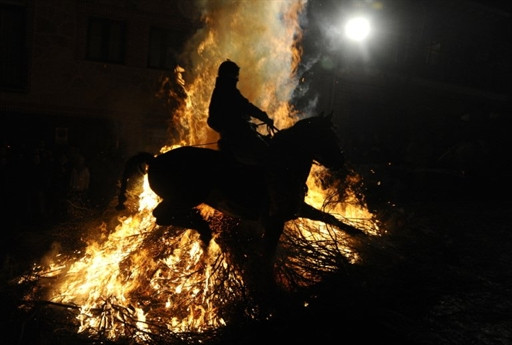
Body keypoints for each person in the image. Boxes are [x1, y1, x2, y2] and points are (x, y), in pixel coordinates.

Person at [208, 59, 274, 165]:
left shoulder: (221, 90)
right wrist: (264, 117)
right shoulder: (228, 90)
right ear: (229, 74)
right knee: (266, 153)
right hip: (238, 136)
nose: (237, 79)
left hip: (231, 135)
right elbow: (246, 107)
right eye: (235, 75)